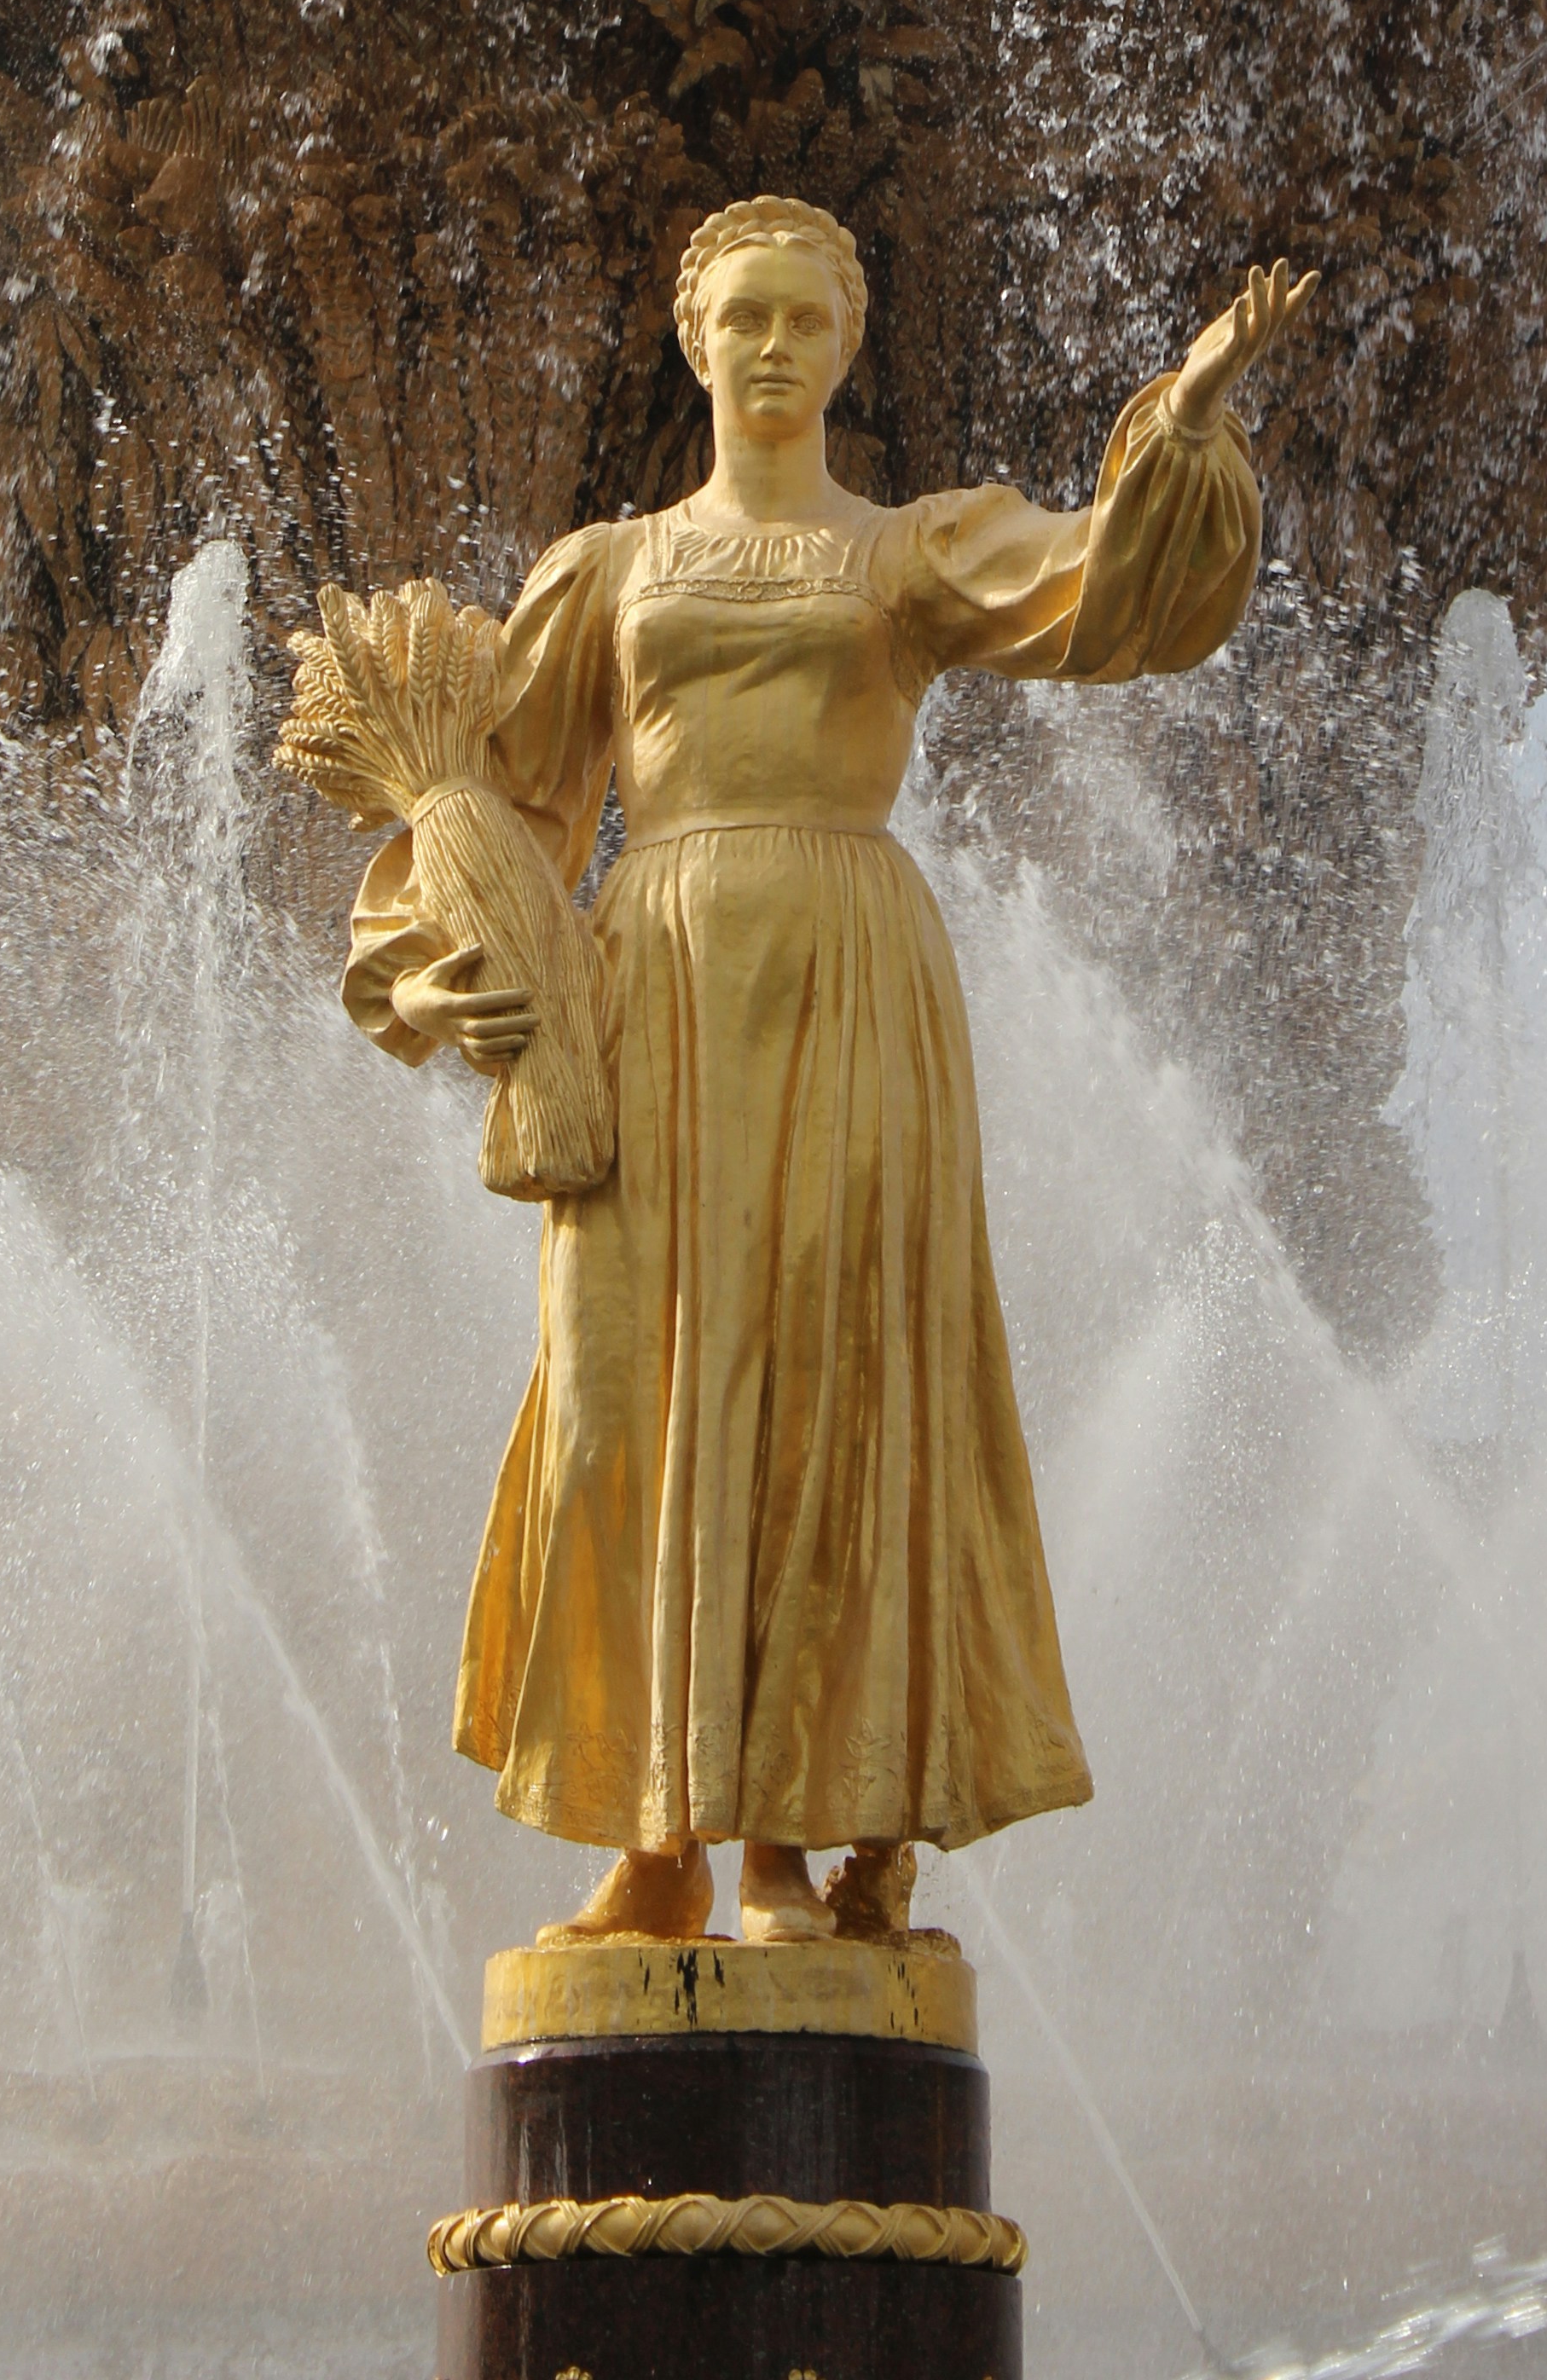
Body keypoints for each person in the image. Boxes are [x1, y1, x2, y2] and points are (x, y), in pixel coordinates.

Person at [343, 194, 1315, 1946]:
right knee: (620, 1394)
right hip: (653, 981)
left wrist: (1190, 411)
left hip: (850, 972)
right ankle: (652, 1833)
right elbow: (504, 801)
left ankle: (790, 1838)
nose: (777, 346)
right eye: (749, 318)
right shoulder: (611, 570)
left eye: (809, 319)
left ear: (845, 348)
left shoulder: (907, 553)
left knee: (824, 1386)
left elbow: (1100, 589)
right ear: (694, 341)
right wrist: (466, 969)